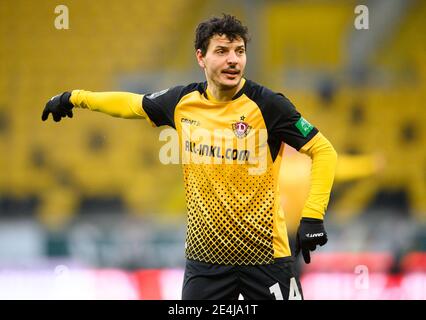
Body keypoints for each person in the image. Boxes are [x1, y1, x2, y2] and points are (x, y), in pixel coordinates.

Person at [41, 14, 337, 300]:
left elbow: (323, 150)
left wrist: (313, 215)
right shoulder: (183, 102)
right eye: (221, 51)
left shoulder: (269, 105)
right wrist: (74, 97)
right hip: (205, 262)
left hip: (267, 257)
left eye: (239, 51)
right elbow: (131, 104)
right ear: (201, 58)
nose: (233, 59)